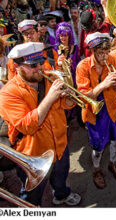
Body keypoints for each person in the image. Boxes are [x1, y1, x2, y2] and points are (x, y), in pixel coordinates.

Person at [0, 42, 81, 206]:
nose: (39, 68)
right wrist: (50, 97)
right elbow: (27, 126)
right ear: (16, 66)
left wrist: (70, 96)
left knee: (60, 177)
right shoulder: (8, 93)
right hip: (33, 153)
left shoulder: (49, 77)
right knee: (32, 194)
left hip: (59, 145)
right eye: (32, 65)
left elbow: (66, 105)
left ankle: (61, 195)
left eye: (40, 62)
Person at [76, 32, 116, 189]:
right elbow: (83, 96)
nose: (105, 57)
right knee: (98, 147)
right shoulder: (82, 66)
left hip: (111, 108)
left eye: (107, 52)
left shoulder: (112, 59)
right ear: (92, 51)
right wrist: (104, 84)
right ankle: (97, 170)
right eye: (100, 53)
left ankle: (112, 164)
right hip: (93, 112)